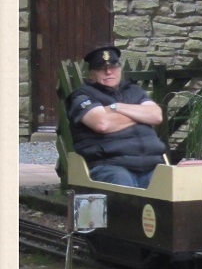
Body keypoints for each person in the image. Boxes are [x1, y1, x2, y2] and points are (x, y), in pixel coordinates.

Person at [65, 44, 166, 188]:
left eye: (113, 67)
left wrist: (116, 107)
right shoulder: (82, 95)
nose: (108, 72)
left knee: (175, 186)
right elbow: (102, 124)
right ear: (92, 74)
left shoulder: (134, 91)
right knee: (123, 185)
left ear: (119, 69)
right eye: (101, 68)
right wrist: (140, 115)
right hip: (110, 165)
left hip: (152, 165)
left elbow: (156, 116)